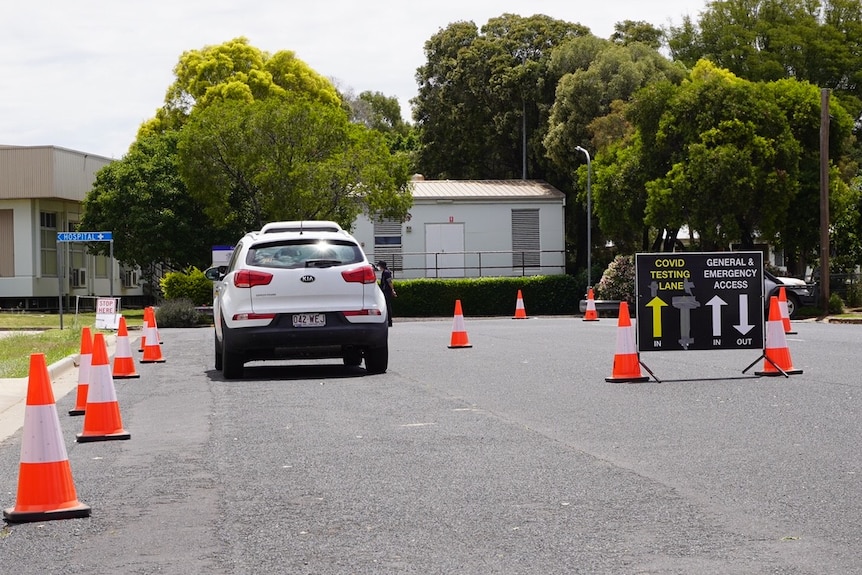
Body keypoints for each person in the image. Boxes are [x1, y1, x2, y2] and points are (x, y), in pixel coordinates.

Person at [377, 260, 396, 326]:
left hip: (387, 291)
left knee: (387, 306)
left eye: (379, 265)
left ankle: (389, 321)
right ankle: (388, 321)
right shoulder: (385, 272)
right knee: (387, 306)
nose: (378, 267)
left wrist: (392, 290)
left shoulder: (386, 272)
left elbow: (389, 282)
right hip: (385, 291)